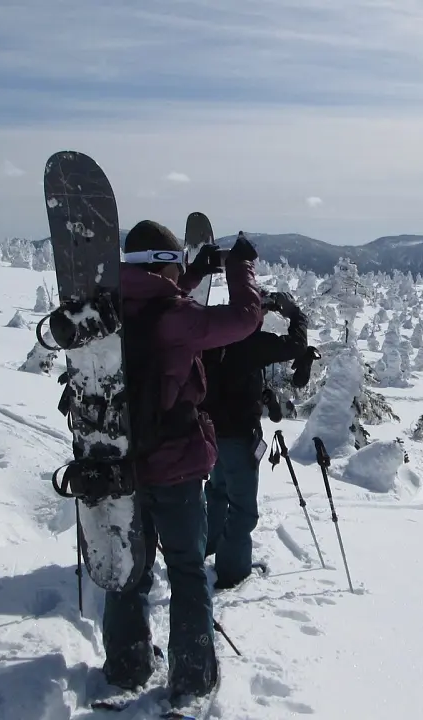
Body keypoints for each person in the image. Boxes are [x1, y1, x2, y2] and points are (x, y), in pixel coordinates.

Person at [102, 220, 263, 704]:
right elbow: (243, 319)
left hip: (119, 466)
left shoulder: (109, 306)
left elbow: (158, 308)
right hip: (173, 465)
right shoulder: (173, 316)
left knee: (131, 567)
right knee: (187, 568)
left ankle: (127, 664)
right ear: (163, 266)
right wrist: (242, 267)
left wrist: (191, 275)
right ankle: (192, 675)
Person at [200, 288, 308, 590]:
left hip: (210, 433)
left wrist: (260, 393)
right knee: (242, 507)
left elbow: (229, 376)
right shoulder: (250, 342)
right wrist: (297, 315)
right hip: (237, 436)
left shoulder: (215, 335)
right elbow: (296, 346)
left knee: (218, 492)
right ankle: (232, 571)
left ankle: (207, 548)